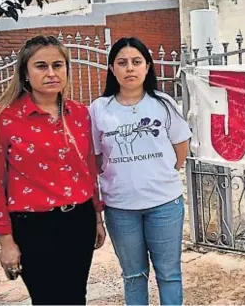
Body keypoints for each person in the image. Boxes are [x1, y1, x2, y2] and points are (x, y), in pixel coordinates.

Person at [0, 35, 106, 305]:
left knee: (75, 297)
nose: (51, 73)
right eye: (41, 66)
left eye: (58, 65)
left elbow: (88, 169)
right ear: (25, 72)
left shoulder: (79, 114)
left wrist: (96, 217)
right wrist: (5, 241)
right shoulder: (3, 117)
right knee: (48, 299)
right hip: (33, 227)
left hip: (78, 222)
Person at [89, 37, 191, 305]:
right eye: (122, 63)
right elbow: (96, 159)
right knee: (133, 275)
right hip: (120, 209)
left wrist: (160, 172)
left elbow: (181, 147)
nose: (130, 68)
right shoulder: (99, 109)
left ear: (147, 66)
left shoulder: (164, 104)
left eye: (136, 62)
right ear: (112, 69)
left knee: (169, 274)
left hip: (164, 205)